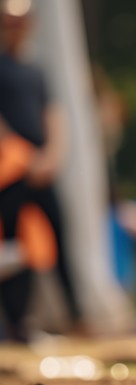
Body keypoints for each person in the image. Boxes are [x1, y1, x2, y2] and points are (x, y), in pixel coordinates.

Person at [0, 2, 83, 341]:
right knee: (13, 246)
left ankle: (77, 317)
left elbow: (53, 115)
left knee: (59, 236)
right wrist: (22, 156)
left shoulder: (36, 70)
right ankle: (17, 322)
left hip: (42, 168)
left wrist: (51, 156)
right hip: (9, 170)